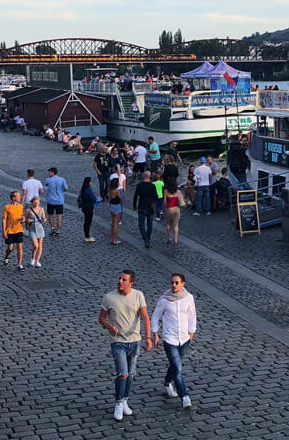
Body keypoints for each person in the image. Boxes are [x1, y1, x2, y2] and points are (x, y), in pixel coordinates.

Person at [99, 269, 153, 422]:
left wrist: (148, 337)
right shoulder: (109, 298)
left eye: (124, 280)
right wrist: (109, 326)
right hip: (118, 342)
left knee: (130, 374)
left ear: (131, 283)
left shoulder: (138, 295)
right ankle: (118, 402)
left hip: (134, 341)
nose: (120, 282)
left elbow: (145, 317)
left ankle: (124, 400)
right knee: (122, 373)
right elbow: (101, 318)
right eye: (120, 278)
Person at [151, 273, 197, 409]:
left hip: (184, 339)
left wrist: (191, 333)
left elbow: (192, 315)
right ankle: (185, 397)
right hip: (169, 339)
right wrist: (155, 334)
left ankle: (167, 382)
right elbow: (155, 316)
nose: (174, 285)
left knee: (175, 365)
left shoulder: (189, 298)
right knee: (178, 368)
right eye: (172, 282)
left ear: (183, 284)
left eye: (177, 283)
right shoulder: (164, 300)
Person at [132, 171, 158, 248]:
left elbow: (135, 196)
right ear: (150, 177)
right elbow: (156, 196)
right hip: (150, 207)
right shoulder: (152, 186)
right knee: (150, 224)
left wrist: (134, 205)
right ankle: (148, 238)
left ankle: (145, 238)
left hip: (141, 206)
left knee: (141, 224)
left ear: (143, 176)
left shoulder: (140, 185)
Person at [1, 191, 25, 270]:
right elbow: (4, 219)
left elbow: (22, 216)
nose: (20, 197)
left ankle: (20, 264)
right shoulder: (7, 207)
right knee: (10, 248)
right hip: (10, 231)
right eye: (18, 196)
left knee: (20, 248)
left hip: (19, 229)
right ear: (13, 198)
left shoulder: (21, 206)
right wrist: (4, 231)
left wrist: (23, 219)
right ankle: (7, 256)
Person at [44, 167, 68, 236]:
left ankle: (52, 227)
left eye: (49, 172)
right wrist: (61, 190)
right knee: (59, 216)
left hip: (51, 200)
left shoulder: (48, 180)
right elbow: (66, 189)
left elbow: (46, 184)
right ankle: (58, 230)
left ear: (52, 172)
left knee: (50, 214)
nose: (48, 173)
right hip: (60, 201)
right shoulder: (62, 179)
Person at [25, 194, 47, 267]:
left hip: (40, 228)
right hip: (32, 229)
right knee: (36, 245)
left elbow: (43, 218)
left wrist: (44, 219)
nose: (36, 204)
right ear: (32, 202)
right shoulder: (28, 210)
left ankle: (37, 261)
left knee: (40, 246)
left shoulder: (41, 209)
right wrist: (27, 222)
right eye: (35, 202)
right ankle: (33, 258)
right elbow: (26, 221)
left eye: (37, 203)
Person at [162, 178, 184, 245]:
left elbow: (165, 202)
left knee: (168, 223)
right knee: (176, 224)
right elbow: (182, 199)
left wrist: (164, 209)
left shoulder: (165, 191)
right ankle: (176, 240)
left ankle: (169, 238)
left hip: (169, 209)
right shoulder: (178, 191)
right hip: (177, 209)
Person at [79, 176, 99, 243]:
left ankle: (87, 235)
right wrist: (97, 198)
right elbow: (93, 199)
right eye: (90, 181)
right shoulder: (88, 190)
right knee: (88, 222)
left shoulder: (84, 189)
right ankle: (87, 236)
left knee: (86, 222)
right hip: (89, 207)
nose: (91, 182)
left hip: (84, 207)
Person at [108, 178, 125, 245]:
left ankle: (112, 238)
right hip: (117, 206)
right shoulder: (117, 191)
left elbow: (109, 198)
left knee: (112, 223)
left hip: (112, 206)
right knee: (116, 224)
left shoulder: (110, 190)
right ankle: (115, 239)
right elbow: (121, 198)